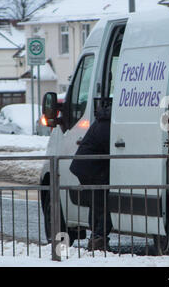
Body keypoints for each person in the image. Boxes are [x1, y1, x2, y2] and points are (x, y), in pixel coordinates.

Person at [70, 104, 112, 251]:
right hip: (91, 169)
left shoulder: (101, 122)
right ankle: (98, 238)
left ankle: (96, 237)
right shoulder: (106, 125)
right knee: (101, 205)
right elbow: (110, 147)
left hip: (86, 168)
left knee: (96, 204)